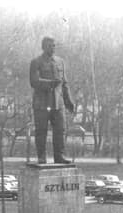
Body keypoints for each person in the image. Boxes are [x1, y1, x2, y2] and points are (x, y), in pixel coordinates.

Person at [29, 37, 75, 165]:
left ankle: (59, 156)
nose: (53, 48)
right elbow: (34, 81)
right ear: (43, 47)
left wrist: (68, 101)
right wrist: (51, 84)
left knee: (60, 130)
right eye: (50, 46)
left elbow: (64, 83)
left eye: (54, 46)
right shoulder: (36, 62)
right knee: (41, 131)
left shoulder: (60, 62)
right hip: (42, 103)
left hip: (58, 103)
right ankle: (42, 157)